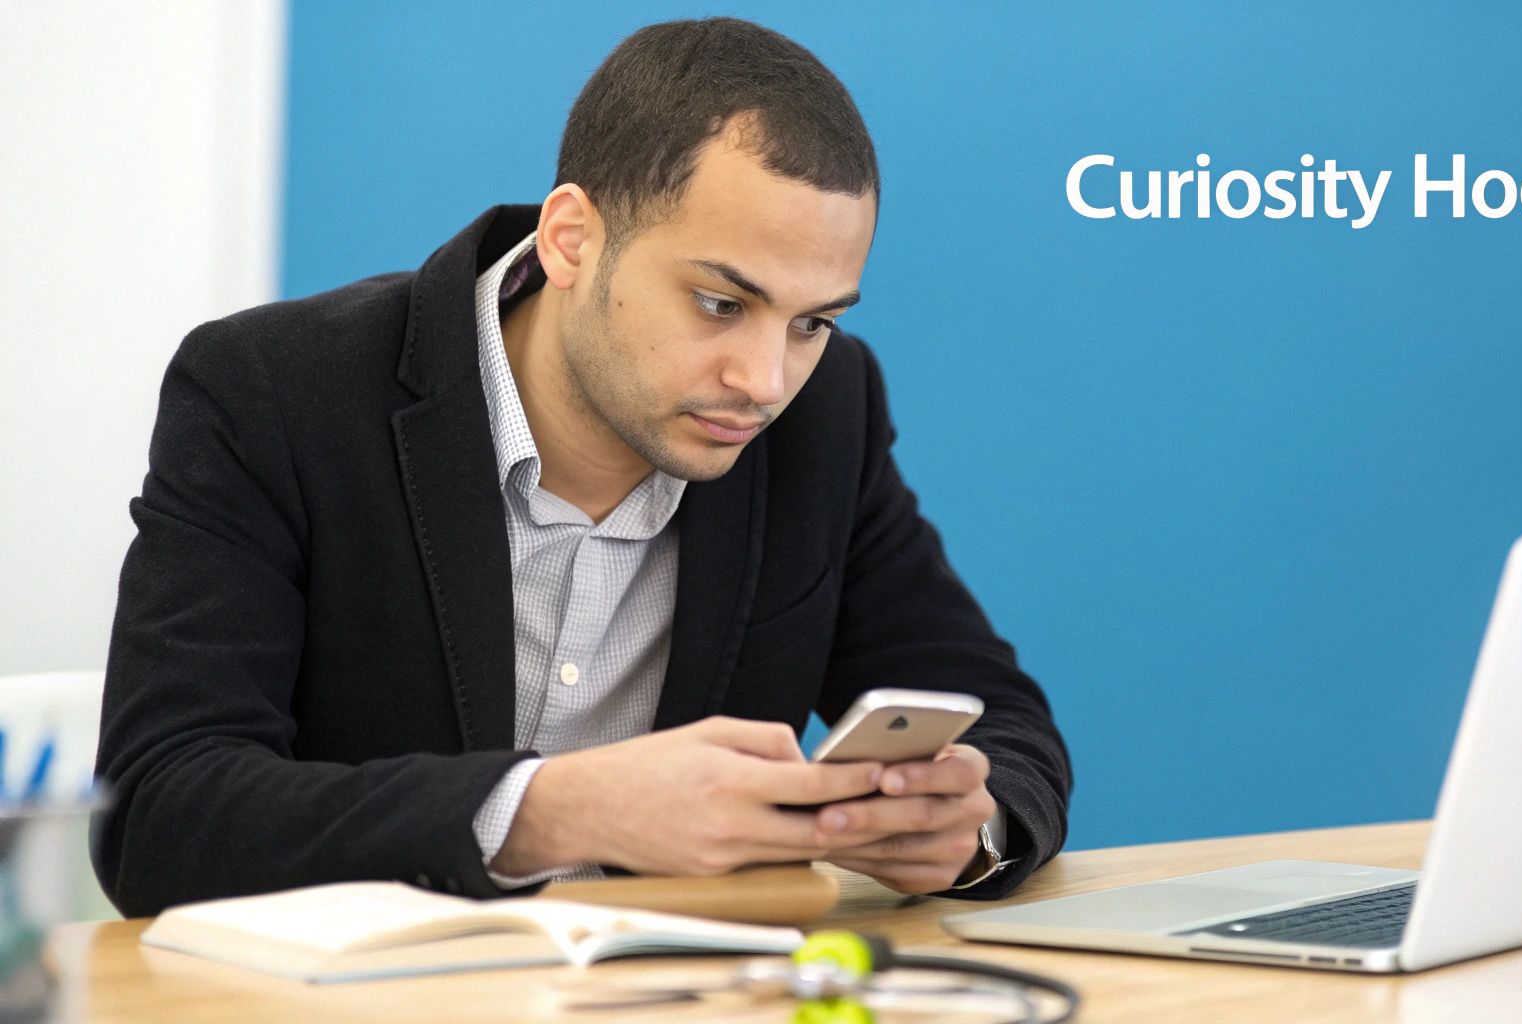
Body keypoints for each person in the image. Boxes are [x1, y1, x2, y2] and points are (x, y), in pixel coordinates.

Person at [93, 17, 1071, 917]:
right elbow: (158, 812)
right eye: (721, 304)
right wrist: (554, 810)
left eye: (812, 322)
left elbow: (1002, 725)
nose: (765, 380)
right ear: (571, 241)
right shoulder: (272, 392)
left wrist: (965, 828)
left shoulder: (826, 415)